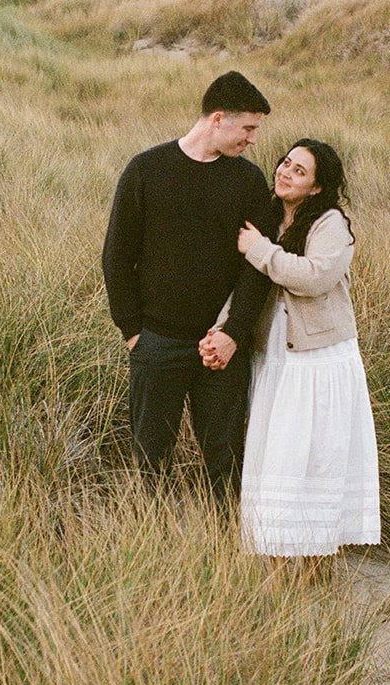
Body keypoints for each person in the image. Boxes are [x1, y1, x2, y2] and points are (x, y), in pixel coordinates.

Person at [202, 140, 379, 569]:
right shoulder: (268, 219)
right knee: (278, 461)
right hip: (276, 359)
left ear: (317, 188)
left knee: (315, 462)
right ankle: (281, 567)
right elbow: (248, 284)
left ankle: (317, 567)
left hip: (318, 362)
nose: (285, 172)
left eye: (299, 171)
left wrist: (260, 249)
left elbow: (314, 278)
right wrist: (224, 327)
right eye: (285, 163)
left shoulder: (330, 224)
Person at [102, 71, 273, 500]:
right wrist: (133, 332)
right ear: (218, 119)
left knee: (225, 458)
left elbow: (258, 268)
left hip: (222, 348)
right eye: (248, 128)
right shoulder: (147, 170)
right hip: (156, 342)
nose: (252, 139)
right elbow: (117, 256)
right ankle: (152, 551)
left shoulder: (248, 181)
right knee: (151, 458)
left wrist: (234, 333)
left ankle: (226, 551)